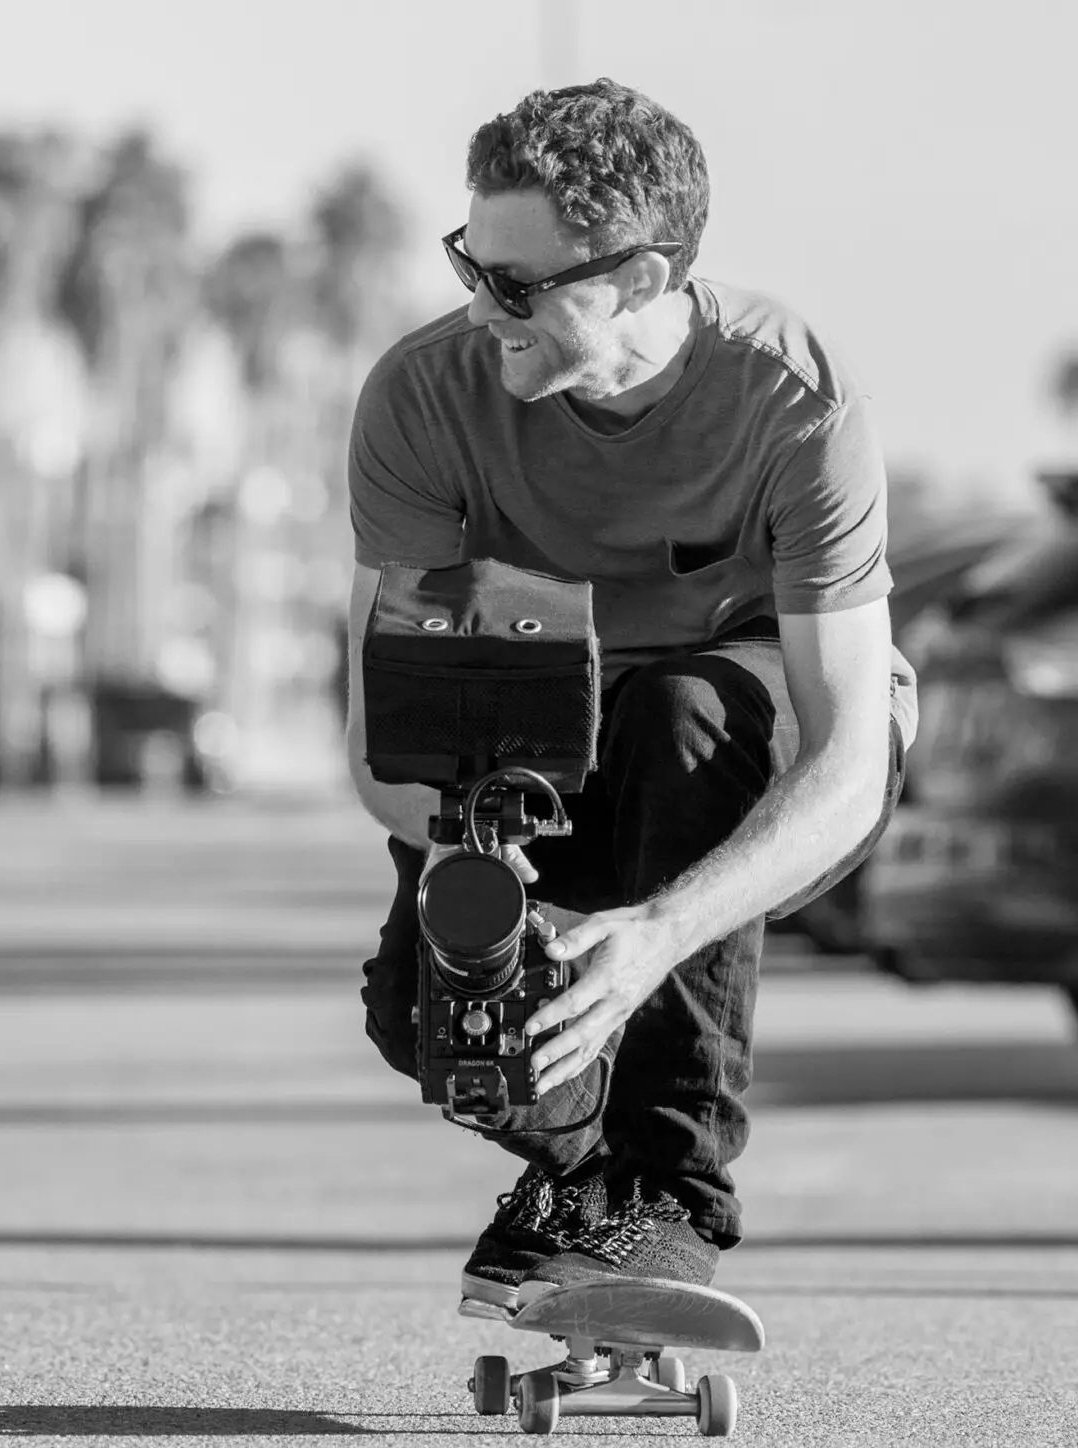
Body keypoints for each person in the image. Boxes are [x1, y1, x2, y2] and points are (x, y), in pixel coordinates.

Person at [343, 79, 913, 1312]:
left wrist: (654, 933)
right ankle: (582, 1182)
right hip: (540, 734)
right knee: (422, 1010)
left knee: (682, 712)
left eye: (517, 284)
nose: (480, 307)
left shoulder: (791, 403)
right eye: (468, 262)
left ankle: (669, 1192)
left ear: (642, 278)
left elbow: (846, 760)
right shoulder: (421, 398)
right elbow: (380, 740)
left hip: (749, 737)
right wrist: (493, 888)